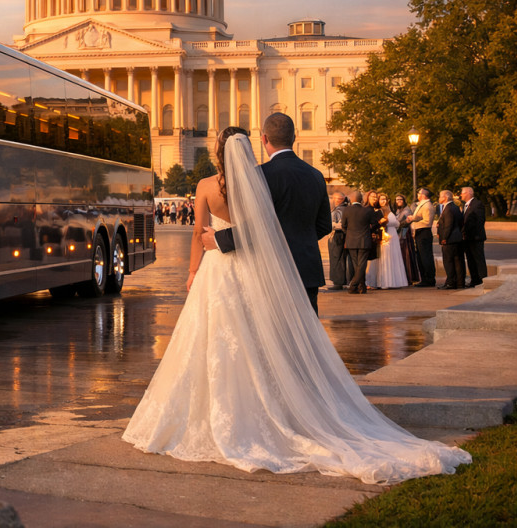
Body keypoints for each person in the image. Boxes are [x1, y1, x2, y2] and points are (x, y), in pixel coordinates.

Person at [123, 127, 471, 483]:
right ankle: (297, 404)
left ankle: (257, 410)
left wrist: (196, 266)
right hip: (278, 269)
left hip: (227, 266)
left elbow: (209, 232)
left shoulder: (220, 185)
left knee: (223, 340)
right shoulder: (280, 178)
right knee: (287, 344)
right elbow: (301, 225)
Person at [203, 113, 330, 315]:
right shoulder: (316, 175)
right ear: (294, 137)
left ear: (264, 139)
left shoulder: (259, 175)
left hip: (272, 269)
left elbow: (256, 227)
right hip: (307, 268)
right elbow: (324, 226)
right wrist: (298, 240)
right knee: (308, 339)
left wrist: (219, 239)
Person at [343, 191, 376, 294]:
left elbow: (344, 226)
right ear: (361, 200)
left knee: (356, 264)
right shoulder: (367, 210)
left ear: (351, 200)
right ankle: (360, 286)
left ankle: (356, 286)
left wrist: (349, 234)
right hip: (364, 240)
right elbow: (375, 224)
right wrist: (368, 231)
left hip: (351, 241)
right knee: (361, 264)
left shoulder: (347, 210)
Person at [374, 202, 408, 289]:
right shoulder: (378, 212)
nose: (383, 202)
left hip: (391, 236)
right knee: (384, 257)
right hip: (384, 235)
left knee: (392, 257)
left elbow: (397, 224)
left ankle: (392, 281)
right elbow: (396, 223)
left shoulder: (389, 213)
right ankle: (384, 281)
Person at [436, 190, 465, 290]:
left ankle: (451, 283)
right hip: (457, 238)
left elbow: (449, 225)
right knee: (458, 261)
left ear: (445, 197)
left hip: (450, 239)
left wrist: (444, 238)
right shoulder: (455, 207)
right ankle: (460, 283)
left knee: (448, 262)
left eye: (440, 196)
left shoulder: (448, 208)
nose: (439, 198)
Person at [460, 187, 487, 288]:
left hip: (475, 238)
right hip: (467, 238)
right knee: (470, 260)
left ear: (469, 193)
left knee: (478, 259)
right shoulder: (466, 205)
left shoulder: (477, 204)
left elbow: (479, 221)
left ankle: (483, 280)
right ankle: (474, 280)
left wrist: (472, 234)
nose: (461, 195)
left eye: (462, 193)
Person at [409, 188, 437, 286]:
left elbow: (427, 222)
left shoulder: (427, 206)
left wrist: (413, 222)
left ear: (424, 195)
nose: (417, 194)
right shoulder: (423, 205)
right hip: (420, 232)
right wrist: (413, 218)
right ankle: (425, 278)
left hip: (424, 232)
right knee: (420, 257)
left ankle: (429, 279)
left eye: (419, 193)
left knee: (425, 257)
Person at [325, 193, 349, 290]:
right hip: (342, 236)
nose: (333, 200)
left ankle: (337, 282)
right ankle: (341, 280)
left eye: (334, 198)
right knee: (341, 258)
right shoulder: (346, 208)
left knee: (336, 258)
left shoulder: (338, 210)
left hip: (336, 236)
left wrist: (329, 225)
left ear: (339, 199)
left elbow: (339, 224)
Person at [394, 195, 417, 283]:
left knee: (406, 256)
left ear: (404, 200)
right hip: (399, 234)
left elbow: (408, 222)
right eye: (397, 200)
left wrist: (398, 224)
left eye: (400, 199)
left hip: (404, 235)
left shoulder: (407, 210)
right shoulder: (397, 210)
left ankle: (409, 277)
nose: (398, 201)